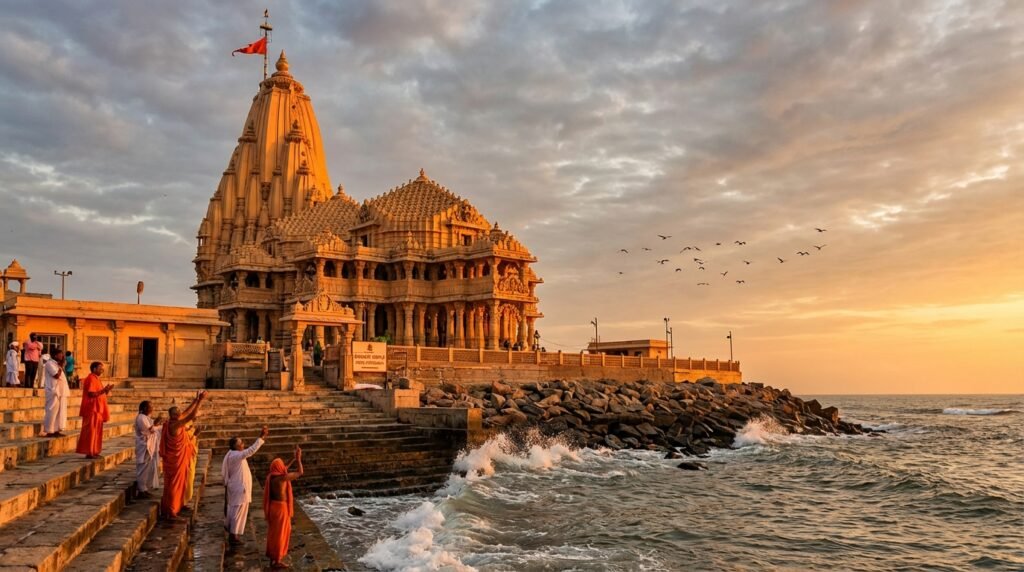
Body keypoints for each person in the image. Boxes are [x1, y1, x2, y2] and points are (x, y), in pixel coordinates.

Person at [159, 391, 207, 520]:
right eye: (178, 412)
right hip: (174, 460)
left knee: (181, 483)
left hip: (179, 458)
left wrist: (196, 400)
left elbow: (186, 412)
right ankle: (171, 511)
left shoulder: (175, 420)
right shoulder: (174, 425)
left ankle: (179, 504)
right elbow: (191, 415)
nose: (181, 413)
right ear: (174, 415)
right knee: (174, 485)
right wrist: (201, 401)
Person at [222, 426, 268, 544]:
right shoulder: (236, 456)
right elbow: (251, 451)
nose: (243, 444)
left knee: (234, 510)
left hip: (237, 487)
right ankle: (234, 536)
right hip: (239, 488)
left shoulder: (232, 454)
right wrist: (261, 437)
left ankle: (232, 532)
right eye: (241, 443)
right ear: (236, 446)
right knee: (238, 512)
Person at [265, 446, 303, 568]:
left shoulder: (271, 477)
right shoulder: (282, 479)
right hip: (281, 509)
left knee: (274, 533)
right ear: (278, 468)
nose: (283, 467)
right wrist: (299, 459)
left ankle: (273, 557)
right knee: (281, 534)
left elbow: (284, 468)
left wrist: (293, 458)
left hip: (273, 507)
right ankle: (277, 560)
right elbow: (300, 472)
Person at [75, 362, 112, 458]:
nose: (102, 370)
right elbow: (91, 394)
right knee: (91, 431)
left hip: (98, 409)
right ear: (94, 369)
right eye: (100, 368)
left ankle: (95, 451)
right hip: (92, 409)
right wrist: (103, 390)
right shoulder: (91, 378)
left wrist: (106, 390)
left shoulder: (97, 379)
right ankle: (89, 452)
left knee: (97, 431)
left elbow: (99, 393)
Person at [135, 400, 163, 498]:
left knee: (147, 469)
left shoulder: (146, 417)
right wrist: (156, 424)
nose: (152, 408)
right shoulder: (141, 418)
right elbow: (150, 430)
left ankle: (145, 489)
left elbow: (154, 428)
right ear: (145, 408)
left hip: (149, 446)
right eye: (150, 406)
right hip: (144, 447)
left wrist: (157, 424)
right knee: (143, 468)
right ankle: (141, 490)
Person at [42, 350, 69, 437]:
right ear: (55, 355)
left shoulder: (57, 364)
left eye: (62, 355)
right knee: (52, 411)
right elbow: (56, 375)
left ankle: (57, 430)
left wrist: (60, 366)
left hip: (61, 391)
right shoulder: (49, 363)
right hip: (53, 390)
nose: (62, 357)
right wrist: (61, 367)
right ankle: (49, 431)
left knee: (60, 412)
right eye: (60, 355)